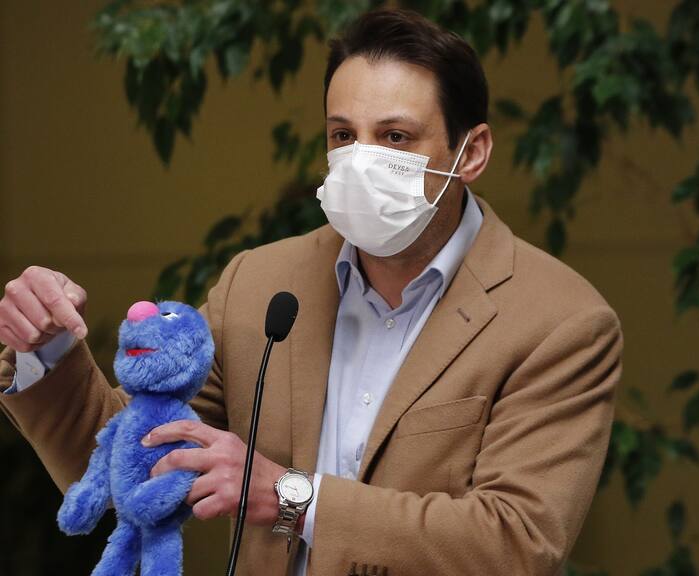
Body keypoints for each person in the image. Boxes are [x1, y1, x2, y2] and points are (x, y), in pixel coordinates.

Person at [0, 8, 623, 576]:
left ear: (472, 152)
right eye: (343, 136)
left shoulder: (560, 322)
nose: (360, 160)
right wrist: (47, 350)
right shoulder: (261, 285)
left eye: (396, 137)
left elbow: (517, 543)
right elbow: (133, 463)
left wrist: (293, 497)